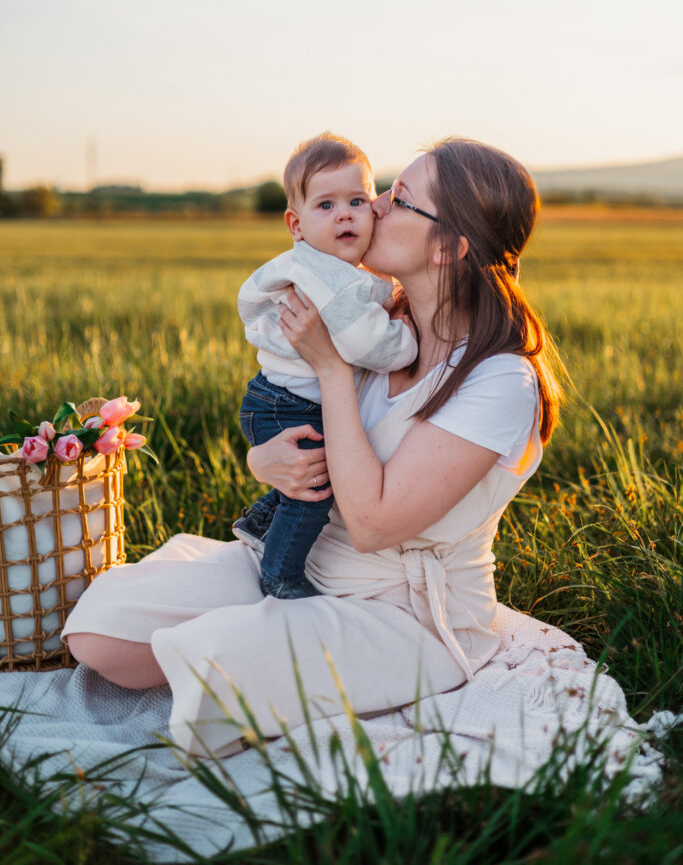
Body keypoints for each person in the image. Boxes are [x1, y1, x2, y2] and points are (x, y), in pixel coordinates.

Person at [63, 137, 562, 761]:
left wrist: (329, 367)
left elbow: (375, 522)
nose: (373, 206)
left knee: (213, 654)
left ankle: (273, 659)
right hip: (302, 563)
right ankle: (265, 653)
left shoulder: (498, 380)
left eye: (399, 199)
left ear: (448, 246)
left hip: (404, 615)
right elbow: (299, 437)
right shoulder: (377, 328)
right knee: (99, 628)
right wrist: (262, 461)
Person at [234, 132, 417, 599]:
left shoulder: (322, 268)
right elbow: (369, 344)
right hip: (291, 405)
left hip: (273, 398)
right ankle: (279, 574)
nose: (345, 214)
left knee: (307, 477)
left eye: (357, 200)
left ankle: (261, 522)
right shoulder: (328, 278)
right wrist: (407, 340)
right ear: (295, 224)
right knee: (316, 490)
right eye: (326, 205)